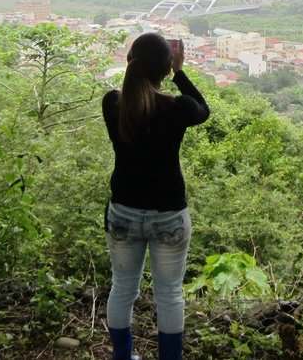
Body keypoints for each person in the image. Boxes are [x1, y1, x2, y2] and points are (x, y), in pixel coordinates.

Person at [102, 32, 210, 360]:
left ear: (129, 61)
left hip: (123, 212)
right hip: (168, 215)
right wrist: (179, 72)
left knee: (122, 288)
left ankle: (122, 357)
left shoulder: (112, 103)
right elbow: (202, 109)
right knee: (169, 295)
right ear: (165, 69)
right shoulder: (177, 108)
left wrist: (164, 68)